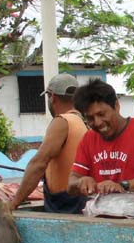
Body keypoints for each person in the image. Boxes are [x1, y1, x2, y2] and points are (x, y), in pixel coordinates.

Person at [68, 80, 134, 199]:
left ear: (116, 106)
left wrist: (122, 186)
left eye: (101, 114)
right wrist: (81, 181)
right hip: (103, 215)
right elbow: (71, 182)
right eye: (90, 118)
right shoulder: (88, 139)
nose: (98, 122)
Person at [9, 73, 87, 213]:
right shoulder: (80, 121)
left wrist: (14, 203)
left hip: (65, 204)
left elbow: (38, 163)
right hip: (76, 200)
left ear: (52, 97)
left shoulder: (62, 121)